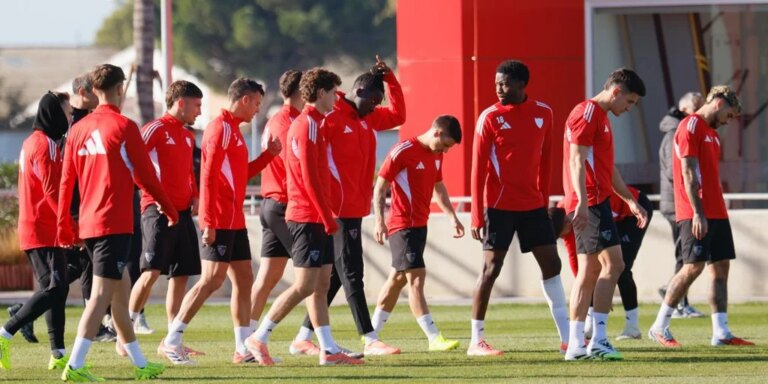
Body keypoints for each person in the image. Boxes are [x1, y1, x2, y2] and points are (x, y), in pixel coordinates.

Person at [57, 63, 177, 381]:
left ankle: (139, 364)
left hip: (89, 223)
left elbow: (66, 182)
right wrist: (169, 208)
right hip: (114, 222)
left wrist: (64, 225)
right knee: (100, 297)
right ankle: (76, 365)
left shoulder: (78, 129)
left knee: (120, 296)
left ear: (93, 90)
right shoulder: (124, 126)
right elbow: (146, 175)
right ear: (121, 88)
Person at [244, 68, 363, 366]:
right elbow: (309, 178)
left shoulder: (313, 123)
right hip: (307, 216)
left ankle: (328, 350)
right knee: (304, 285)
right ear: (321, 94)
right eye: (333, 93)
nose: (337, 98)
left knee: (321, 284)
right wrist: (326, 217)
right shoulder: (307, 125)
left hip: (313, 215)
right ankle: (259, 336)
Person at [158, 77, 280, 365]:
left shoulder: (235, 131)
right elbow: (209, 176)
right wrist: (209, 222)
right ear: (245, 99)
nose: (257, 111)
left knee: (244, 279)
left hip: (234, 219)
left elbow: (240, 174)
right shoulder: (221, 129)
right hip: (220, 219)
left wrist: (268, 157)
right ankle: (171, 339)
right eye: (257, 104)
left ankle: (242, 347)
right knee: (211, 280)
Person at [291, 55, 404, 356]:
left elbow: (399, 115)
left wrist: (391, 80)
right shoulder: (332, 115)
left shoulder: (368, 120)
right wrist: (323, 206)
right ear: (361, 92)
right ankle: (369, 336)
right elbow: (309, 158)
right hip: (336, 209)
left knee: (339, 275)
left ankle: (303, 336)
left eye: (380, 101)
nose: (377, 106)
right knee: (352, 271)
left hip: (355, 208)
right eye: (374, 100)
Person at [468, 60, 569, 356]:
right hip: (499, 207)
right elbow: (477, 170)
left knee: (552, 264)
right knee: (491, 269)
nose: (498, 89)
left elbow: (548, 159)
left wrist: (545, 199)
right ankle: (476, 340)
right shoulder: (489, 117)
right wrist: (476, 214)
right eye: (496, 83)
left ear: (522, 85)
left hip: (533, 206)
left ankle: (568, 338)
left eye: (505, 84)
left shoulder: (544, 113)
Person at [648, 85, 754, 348]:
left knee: (720, 267)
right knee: (692, 266)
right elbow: (687, 172)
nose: (729, 121)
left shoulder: (712, 134)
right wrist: (697, 212)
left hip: (717, 211)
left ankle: (721, 332)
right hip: (694, 212)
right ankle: (659, 326)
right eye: (729, 115)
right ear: (719, 104)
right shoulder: (690, 126)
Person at [562, 68, 648, 361]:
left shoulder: (601, 118)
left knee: (599, 269)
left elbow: (608, 169)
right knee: (607, 266)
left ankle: (583, 342)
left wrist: (629, 201)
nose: (629, 108)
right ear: (616, 92)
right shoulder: (586, 113)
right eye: (630, 102)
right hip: (590, 202)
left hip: (599, 201)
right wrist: (583, 202)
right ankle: (589, 340)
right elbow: (576, 159)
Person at [123, 80, 204, 357]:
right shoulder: (154, 129)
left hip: (182, 214)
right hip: (156, 211)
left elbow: (189, 172)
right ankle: (126, 332)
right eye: (196, 105)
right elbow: (134, 164)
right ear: (180, 103)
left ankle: (171, 340)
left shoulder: (187, 136)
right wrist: (154, 197)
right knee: (151, 272)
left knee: (181, 275)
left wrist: (194, 195)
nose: (199, 112)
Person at [370, 115, 464, 352]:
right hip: (402, 225)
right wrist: (379, 221)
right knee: (417, 278)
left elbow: (438, 186)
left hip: (420, 225)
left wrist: (453, 216)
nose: (445, 151)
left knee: (397, 279)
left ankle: (371, 335)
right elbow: (380, 186)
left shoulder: (436, 154)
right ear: (437, 133)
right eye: (445, 145)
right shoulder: (402, 150)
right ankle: (434, 337)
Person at [0, 92, 72, 371]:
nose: (70, 118)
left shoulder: (32, 142)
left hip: (37, 226)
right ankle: (6, 332)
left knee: (56, 289)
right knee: (55, 288)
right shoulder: (45, 146)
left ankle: (58, 352)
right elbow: (52, 190)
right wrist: (69, 226)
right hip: (44, 227)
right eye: (67, 112)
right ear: (54, 113)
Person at [550, 185, 653, 340]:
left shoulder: (577, 215)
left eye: (563, 234)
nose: (565, 237)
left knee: (621, 268)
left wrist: (603, 290)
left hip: (634, 212)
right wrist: (598, 292)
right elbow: (576, 260)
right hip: (612, 218)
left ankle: (632, 327)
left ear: (567, 221)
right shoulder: (563, 218)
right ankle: (590, 326)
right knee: (589, 272)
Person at [248, 70, 306, 349]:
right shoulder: (289, 122)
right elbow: (296, 169)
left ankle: (244, 338)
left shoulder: (277, 119)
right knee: (315, 275)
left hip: (273, 205)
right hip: (285, 205)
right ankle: (306, 339)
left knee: (268, 277)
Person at [658, 91, 706, 319]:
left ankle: (676, 297)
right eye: (697, 107)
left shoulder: (683, 130)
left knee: (686, 256)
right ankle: (678, 302)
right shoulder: (674, 133)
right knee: (686, 257)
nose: (700, 113)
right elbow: (674, 171)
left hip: (679, 202)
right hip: (676, 204)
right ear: (686, 109)